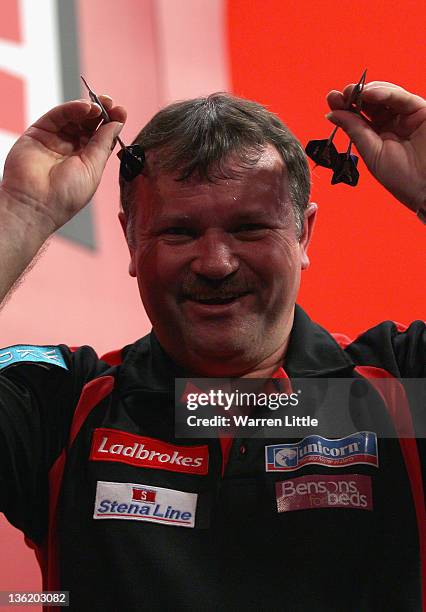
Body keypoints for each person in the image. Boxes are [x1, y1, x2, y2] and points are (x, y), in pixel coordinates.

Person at [0, 81, 424, 611]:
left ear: (303, 235)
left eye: (249, 229)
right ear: (132, 240)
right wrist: (19, 214)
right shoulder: (61, 403)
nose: (216, 263)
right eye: (179, 233)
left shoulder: (404, 389)